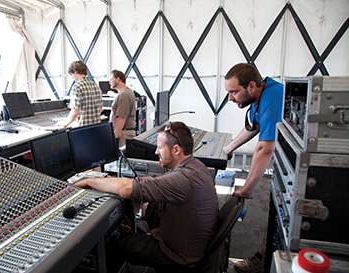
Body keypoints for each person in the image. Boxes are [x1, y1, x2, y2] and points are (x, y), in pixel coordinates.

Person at [74, 121, 219, 270]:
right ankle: (152, 237)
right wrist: (129, 182)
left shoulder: (183, 179)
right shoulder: (195, 166)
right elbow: (156, 180)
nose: (156, 151)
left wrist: (88, 181)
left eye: (160, 147)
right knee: (149, 207)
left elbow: (125, 190)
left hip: (180, 258)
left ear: (176, 150)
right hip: (193, 244)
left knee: (119, 244)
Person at [223, 63, 283, 273]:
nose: (230, 98)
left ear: (250, 86)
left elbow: (265, 149)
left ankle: (262, 260)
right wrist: (229, 147)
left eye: (233, 92)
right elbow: (254, 126)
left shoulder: (272, 97)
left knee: (281, 217)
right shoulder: (262, 94)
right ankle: (261, 257)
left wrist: (247, 188)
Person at [58, 60, 103, 127]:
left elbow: (75, 111)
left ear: (75, 71)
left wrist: (65, 123)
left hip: (83, 129)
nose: (72, 77)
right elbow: (101, 109)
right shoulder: (95, 86)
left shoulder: (77, 87)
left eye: (71, 74)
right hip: (96, 128)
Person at [109, 70, 136, 147]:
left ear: (117, 79)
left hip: (123, 134)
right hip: (124, 132)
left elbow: (122, 117)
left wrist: (115, 135)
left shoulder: (124, 94)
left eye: (111, 79)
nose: (109, 82)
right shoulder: (125, 92)